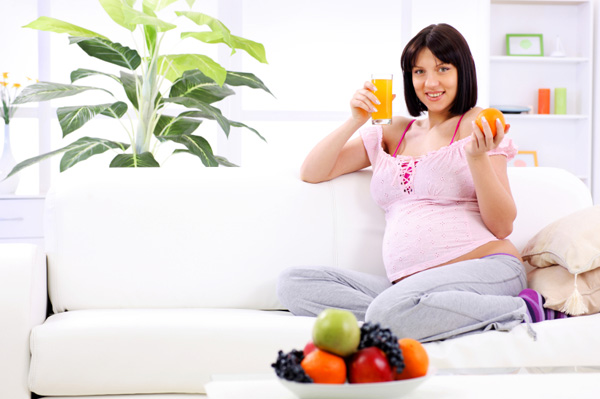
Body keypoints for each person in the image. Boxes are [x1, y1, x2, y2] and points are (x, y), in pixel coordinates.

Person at [277, 23, 564, 343]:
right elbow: (312, 171)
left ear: (462, 72)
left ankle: (523, 310)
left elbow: (502, 225)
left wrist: (477, 158)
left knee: (386, 313)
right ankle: (411, 311)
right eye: (419, 71)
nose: (430, 82)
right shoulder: (391, 130)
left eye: (443, 68)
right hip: (409, 286)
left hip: (486, 268)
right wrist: (356, 119)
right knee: (294, 283)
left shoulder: (477, 124)